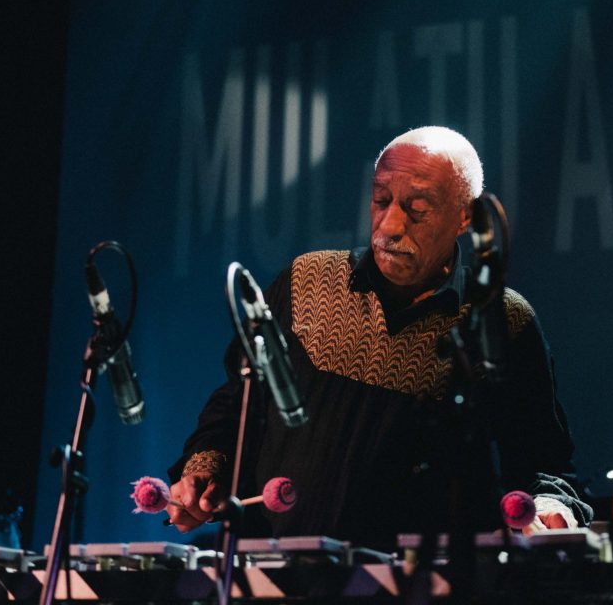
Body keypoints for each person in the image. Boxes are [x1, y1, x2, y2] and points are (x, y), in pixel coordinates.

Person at [166, 126, 591, 546]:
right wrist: (204, 469)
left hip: (420, 577)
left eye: (417, 208)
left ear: (466, 217)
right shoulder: (306, 280)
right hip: (275, 568)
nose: (389, 226)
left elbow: (545, 461)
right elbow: (237, 405)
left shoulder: (502, 320)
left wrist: (551, 505)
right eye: (381, 200)